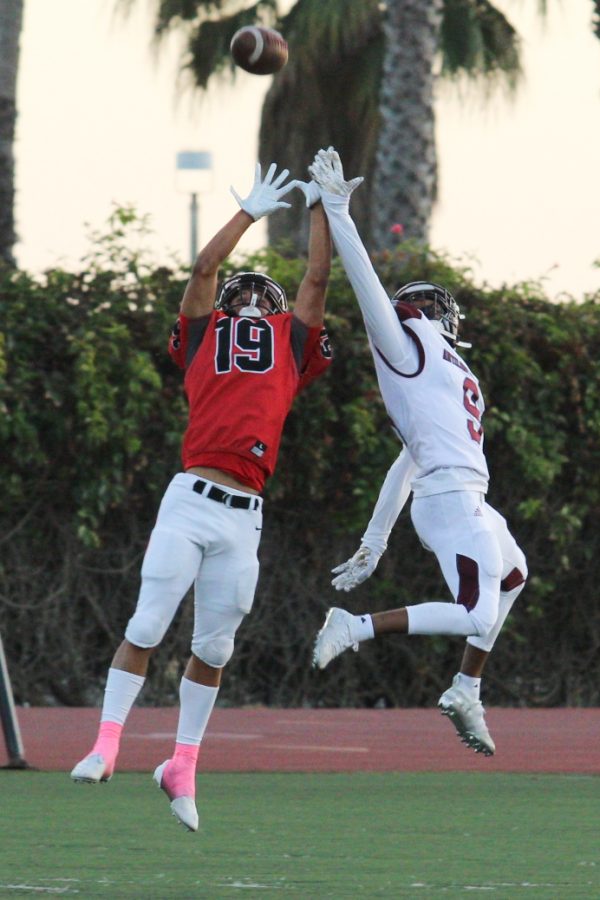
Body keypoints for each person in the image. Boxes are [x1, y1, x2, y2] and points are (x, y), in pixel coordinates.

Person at [70, 162, 333, 831]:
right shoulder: (201, 335)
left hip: (245, 516)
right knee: (148, 624)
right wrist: (246, 213)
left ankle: (181, 766)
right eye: (237, 294)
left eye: (256, 296)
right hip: (191, 498)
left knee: (214, 648)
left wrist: (323, 211)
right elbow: (202, 271)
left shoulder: (290, 344)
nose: (245, 301)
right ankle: (106, 745)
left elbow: (316, 280)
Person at [300, 148, 527, 756]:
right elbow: (369, 291)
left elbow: (407, 459)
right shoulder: (411, 345)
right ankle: (355, 627)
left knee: (513, 575)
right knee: (478, 615)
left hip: (458, 493)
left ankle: (465, 688)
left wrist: (376, 542)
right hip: (451, 500)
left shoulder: (445, 369)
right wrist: (340, 214)